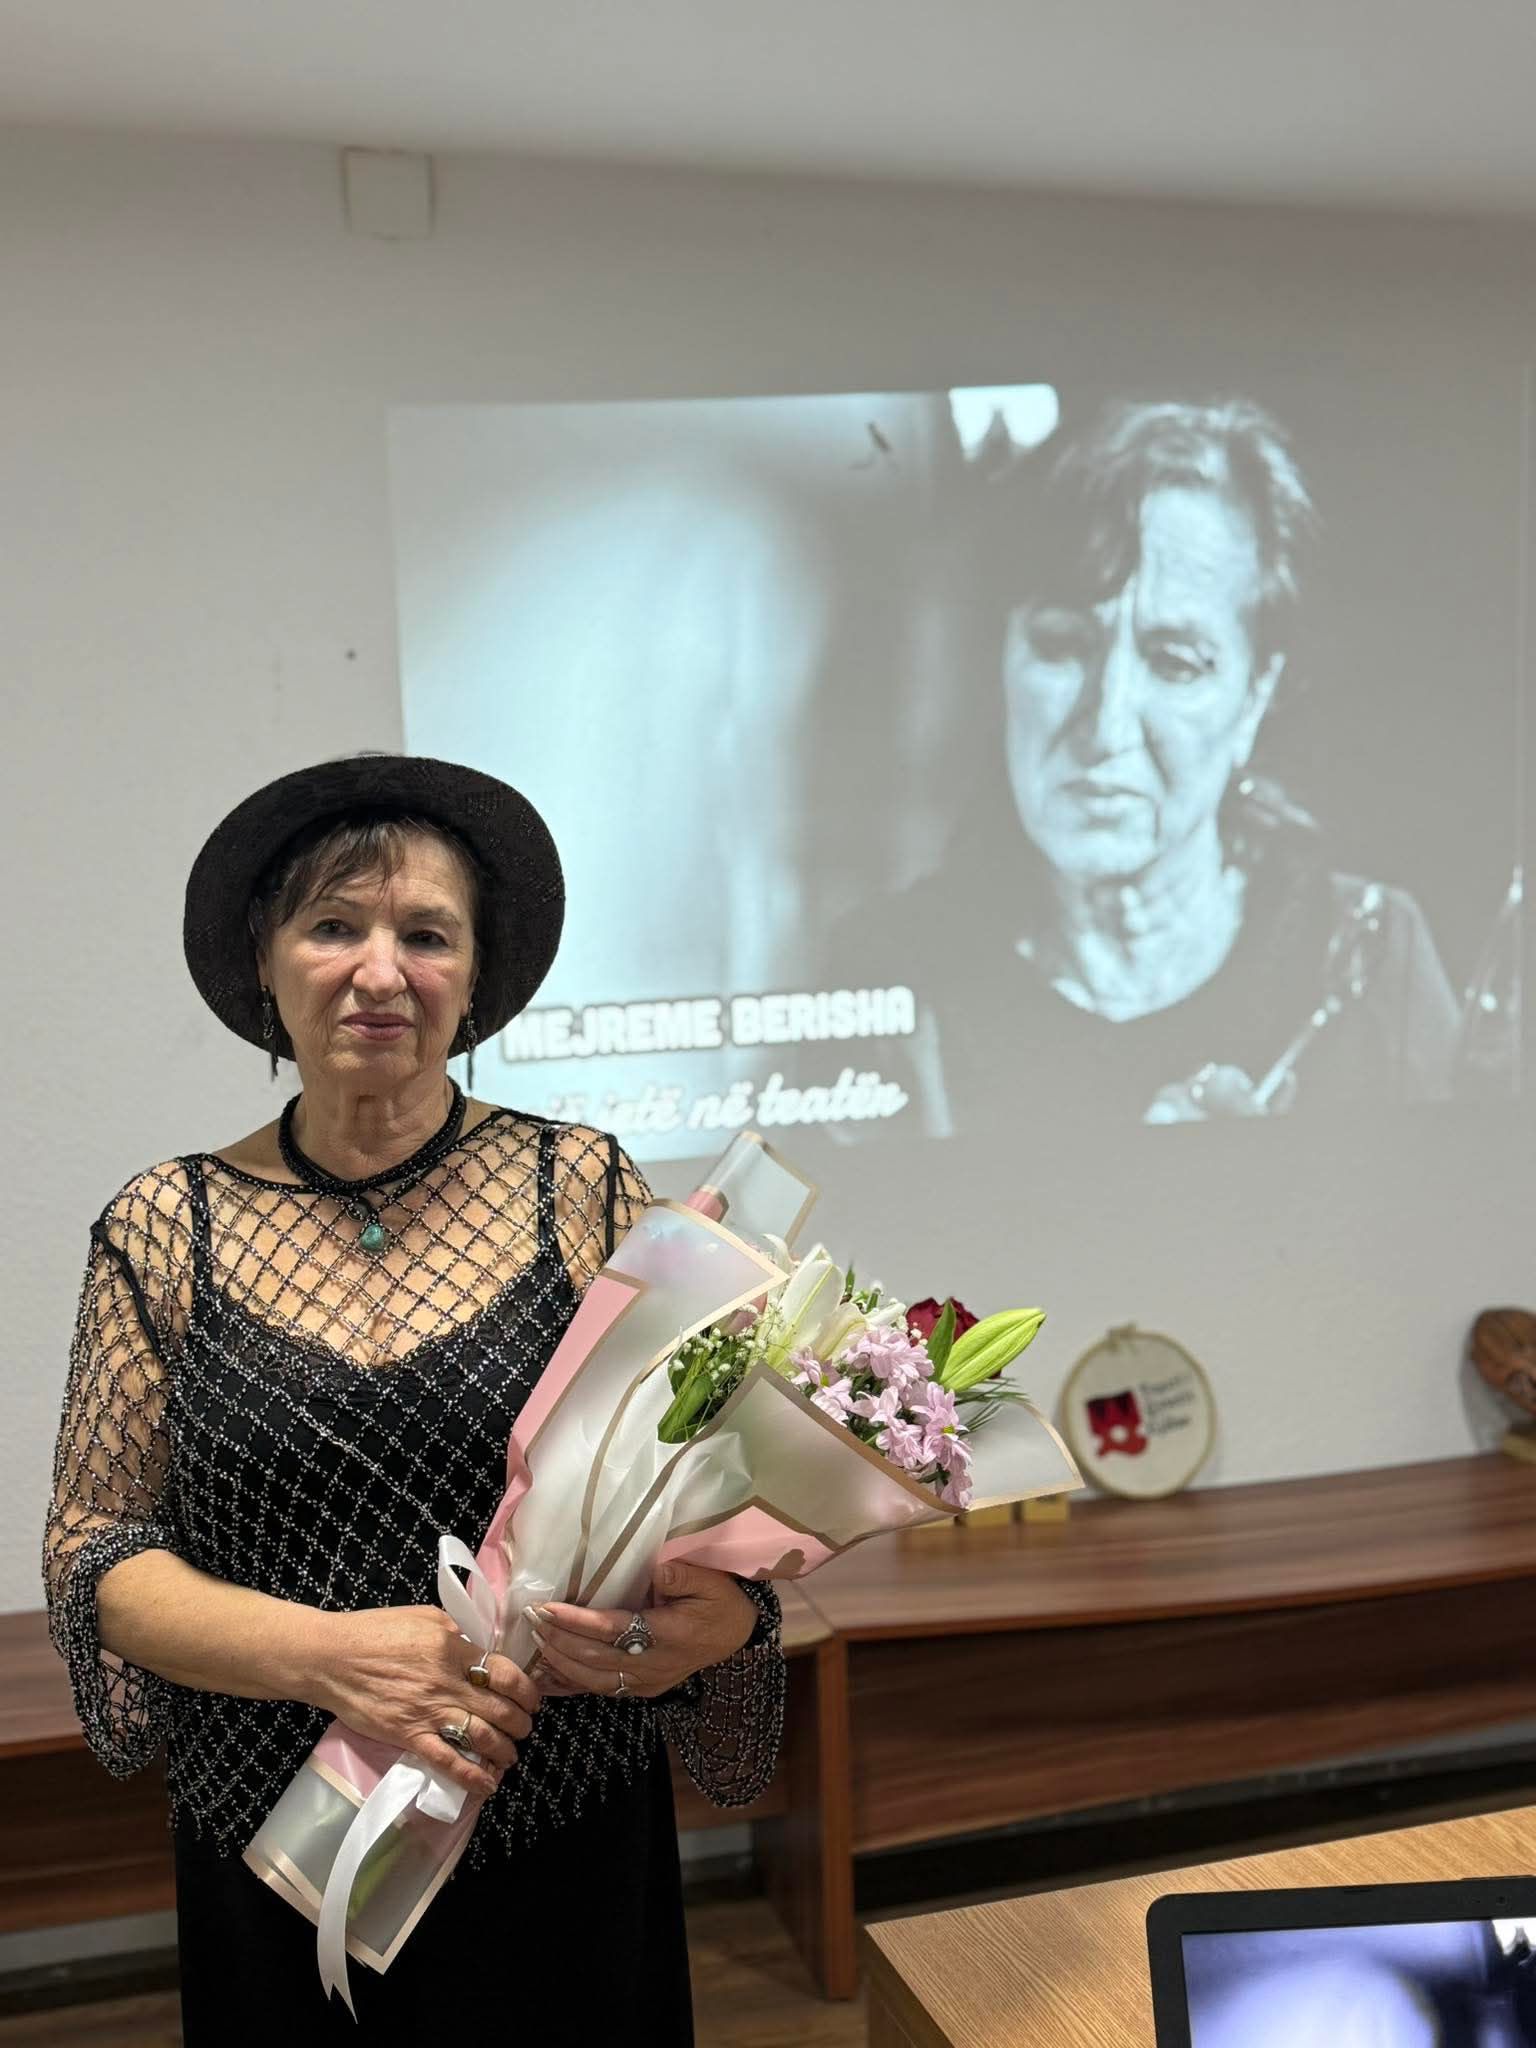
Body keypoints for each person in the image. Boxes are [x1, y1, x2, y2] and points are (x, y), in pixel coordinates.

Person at [42, 753, 785, 2044]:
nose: (381, 972)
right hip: (286, 1839)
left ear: (475, 977)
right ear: (264, 961)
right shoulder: (167, 1226)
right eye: (334, 926)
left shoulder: (580, 1187)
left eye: (427, 936)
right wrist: (334, 1660)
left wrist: (718, 1619)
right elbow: (95, 1549)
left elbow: (710, 1486)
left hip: (557, 1823)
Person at [850, 398, 1462, 1131]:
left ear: (1254, 697)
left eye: (1175, 663)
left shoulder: (1367, 957)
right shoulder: (884, 971)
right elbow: (773, 1207)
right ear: (1001, 662)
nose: (1105, 728)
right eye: (1062, 644)